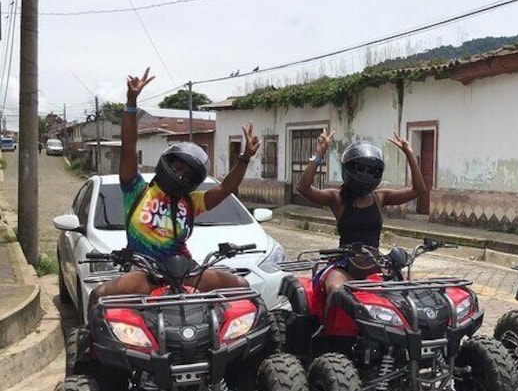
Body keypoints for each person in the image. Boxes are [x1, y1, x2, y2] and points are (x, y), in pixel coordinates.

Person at [89, 68, 259, 316]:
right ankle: (89, 352)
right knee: (101, 295)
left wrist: (244, 158)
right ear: (167, 163)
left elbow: (226, 188)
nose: (181, 175)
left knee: (241, 287)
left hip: (185, 272)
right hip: (144, 272)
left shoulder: (191, 202)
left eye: (188, 174)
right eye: (178, 168)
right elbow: (129, 146)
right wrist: (131, 103)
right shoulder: (136, 189)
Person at [296, 128, 425, 295]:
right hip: (345, 266)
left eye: (371, 171)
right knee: (336, 291)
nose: (365, 175)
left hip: (375, 266)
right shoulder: (337, 198)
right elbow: (303, 188)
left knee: (407, 292)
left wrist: (409, 154)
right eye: (361, 169)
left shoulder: (380, 198)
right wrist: (319, 155)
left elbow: (418, 190)